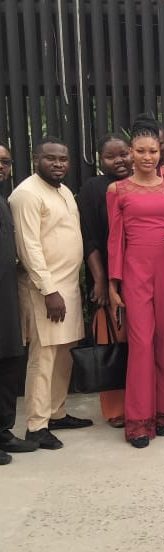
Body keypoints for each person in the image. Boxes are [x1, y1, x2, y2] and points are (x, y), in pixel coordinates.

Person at [9, 138, 92, 451]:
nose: (58, 164)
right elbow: (28, 247)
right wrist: (49, 290)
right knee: (44, 358)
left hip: (67, 286)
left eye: (63, 159)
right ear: (35, 159)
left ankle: (56, 413)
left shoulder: (64, 191)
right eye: (50, 158)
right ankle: (36, 425)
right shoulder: (27, 194)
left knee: (63, 355)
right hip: (45, 290)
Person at [107, 127, 164, 448]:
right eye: (140, 151)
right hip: (135, 270)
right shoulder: (117, 189)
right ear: (131, 152)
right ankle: (139, 421)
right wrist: (114, 283)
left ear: (160, 152)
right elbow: (115, 239)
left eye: (152, 151)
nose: (147, 157)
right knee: (141, 344)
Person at [76, 134, 132, 428]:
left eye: (123, 153)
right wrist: (100, 280)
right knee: (112, 342)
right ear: (100, 160)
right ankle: (115, 410)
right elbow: (90, 239)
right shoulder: (94, 188)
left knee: (139, 344)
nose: (119, 160)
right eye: (111, 156)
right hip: (107, 275)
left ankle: (141, 401)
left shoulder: (142, 184)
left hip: (139, 274)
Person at [0, 144, 38, 463]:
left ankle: (3, 431)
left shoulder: (3, 199)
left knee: (10, 359)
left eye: (5, 161)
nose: (1, 166)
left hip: (7, 294)